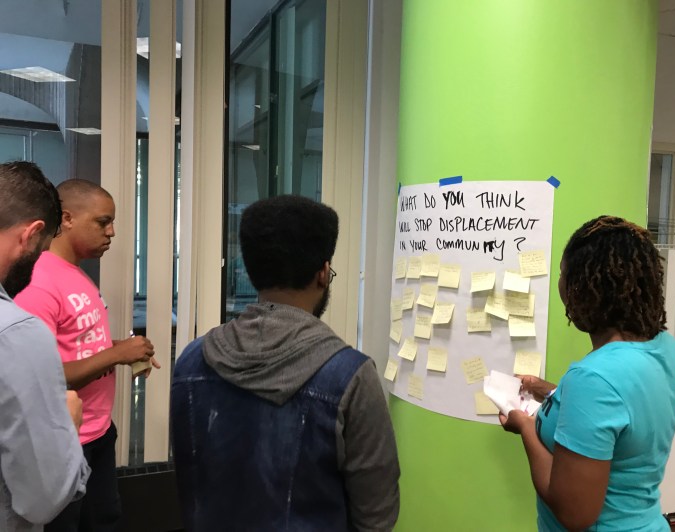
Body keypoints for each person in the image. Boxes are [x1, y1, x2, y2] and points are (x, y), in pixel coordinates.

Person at [171, 195, 400, 531]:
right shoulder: (350, 376)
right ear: (323, 273)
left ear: (251, 271)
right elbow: (376, 516)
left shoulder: (192, 360)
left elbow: (191, 479)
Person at [500, 215, 675, 531]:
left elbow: (575, 513)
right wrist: (552, 393)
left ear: (583, 288)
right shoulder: (667, 349)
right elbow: (623, 415)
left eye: (563, 274)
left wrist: (526, 428)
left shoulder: (594, 378)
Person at [15, 178, 159, 532]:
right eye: (102, 222)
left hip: (96, 433)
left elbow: (78, 347)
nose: (111, 232)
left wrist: (124, 351)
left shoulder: (76, 276)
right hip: (63, 441)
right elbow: (41, 377)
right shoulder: (38, 282)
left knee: (103, 521)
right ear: (65, 219)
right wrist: (115, 356)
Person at [0, 161, 90, 531]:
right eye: (42, 248)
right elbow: (44, 497)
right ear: (30, 234)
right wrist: (65, 425)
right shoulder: (16, 333)